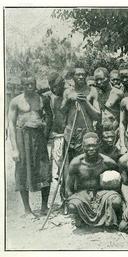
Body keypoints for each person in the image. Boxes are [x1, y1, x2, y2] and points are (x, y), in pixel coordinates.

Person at [8, 73, 52, 218]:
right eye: (27, 84)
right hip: (23, 138)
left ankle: (44, 207)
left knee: (44, 169)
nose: (30, 87)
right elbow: (11, 125)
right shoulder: (16, 101)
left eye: (32, 84)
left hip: (39, 137)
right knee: (22, 170)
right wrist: (14, 149)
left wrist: (44, 132)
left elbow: (49, 117)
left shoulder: (42, 99)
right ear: (22, 85)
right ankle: (27, 210)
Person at [66, 132, 122, 228]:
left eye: (94, 146)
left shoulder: (107, 162)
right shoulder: (76, 163)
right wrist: (73, 199)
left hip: (102, 193)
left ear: (99, 145)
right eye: (88, 146)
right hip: (83, 194)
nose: (91, 149)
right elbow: (68, 188)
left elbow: (120, 179)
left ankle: (111, 218)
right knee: (72, 206)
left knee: (116, 201)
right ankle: (79, 218)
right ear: (83, 146)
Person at [61, 64, 101, 162]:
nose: (81, 77)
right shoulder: (67, 92)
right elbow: (62, 111)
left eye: (83, 74)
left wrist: (85, 102)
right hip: (71, 132)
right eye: (78, 74)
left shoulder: (92, 91)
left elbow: (97, 116)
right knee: (70, 163)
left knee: (86, 162)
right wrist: (68, 100)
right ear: (72, 76)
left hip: (86, 131)